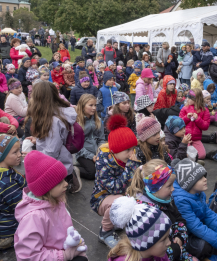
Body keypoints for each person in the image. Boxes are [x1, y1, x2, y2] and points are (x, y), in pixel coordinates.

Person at [14, 151, 88, 261]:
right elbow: (29, 256)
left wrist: (74, 237)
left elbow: (64, 226)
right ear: (45, 188)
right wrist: (64, 255)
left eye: (64, 179)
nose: (66, 184)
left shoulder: (56, 200)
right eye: (59, 182)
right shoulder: (34, 217)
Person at [125, 159, 195, 261]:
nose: (173, 189)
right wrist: (175, 250)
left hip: (176, 247)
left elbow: (179, 219)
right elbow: (151, 251)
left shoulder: (167, 199)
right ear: (155, 188)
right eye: (169, 186)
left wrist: (180, 236)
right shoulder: (145, 214)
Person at [91, 114, 141, 248]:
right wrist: (131, 167)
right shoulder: (104, 163)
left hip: (124, 194)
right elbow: (115, 189)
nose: (132, 153)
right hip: (102, 198)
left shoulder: (128, 158)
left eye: (133, 149)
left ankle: (119, 220)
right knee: (120, 203)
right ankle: (105, 232)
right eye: (127, 150)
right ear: (115, 151)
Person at [172, 158, 217, 261]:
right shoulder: (181, 200)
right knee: (204, 246)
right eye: (200, 178)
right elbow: (196, 227)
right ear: (189, 183)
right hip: (185, 236)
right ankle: (205, 255)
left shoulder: (198, 193)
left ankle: (212, 254)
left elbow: (209, 215)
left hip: (195, 231)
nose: (205, 179)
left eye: (204, 176)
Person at [28, 81, 81, 193]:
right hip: (56, 160)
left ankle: (71, 179)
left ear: (39, 99)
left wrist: (37, 163)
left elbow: (52, 150)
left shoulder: (53, 121)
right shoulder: (50, 115)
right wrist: (37, 141)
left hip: (56, 165)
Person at [108, 196, 172, 261]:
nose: (169, 242)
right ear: (145, 242)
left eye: (168, 236)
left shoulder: (160, 256)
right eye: (164, 239)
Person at [75, 94, 105, 180]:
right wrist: (91, 156)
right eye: (91, 105)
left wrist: (100, 152)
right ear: (83, 106)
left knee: (106, 169)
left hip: (97, 151)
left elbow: (101, 139)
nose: (94, 108)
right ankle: (74, 170)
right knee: (92, 173)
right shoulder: (77, 122)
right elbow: (77, 146)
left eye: (95, 105)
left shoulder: (98, 120)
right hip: (83, 153)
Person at [179, 89, 210, 160]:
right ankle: (191, 160)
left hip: (196, 139)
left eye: (189, 98)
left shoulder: (204, 110)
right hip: (185, 137)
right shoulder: (184, 108)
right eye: (187, 97)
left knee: (202, 155)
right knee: (184, 153)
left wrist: (198, 119)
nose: (187, 99)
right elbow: (179, 123)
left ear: (196, 99)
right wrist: (186, 117)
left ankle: (191, 159)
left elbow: (205, 126)